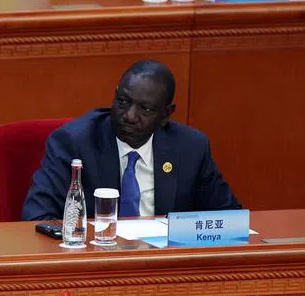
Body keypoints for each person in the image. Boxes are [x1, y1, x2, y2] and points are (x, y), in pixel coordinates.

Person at [21, 60, 240, 221]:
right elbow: (37, 217)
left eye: (145, 109)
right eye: (123, 101)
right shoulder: (74, 143)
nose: (129, 116)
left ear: (165, 114)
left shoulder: (191, 148)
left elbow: (230, 220)